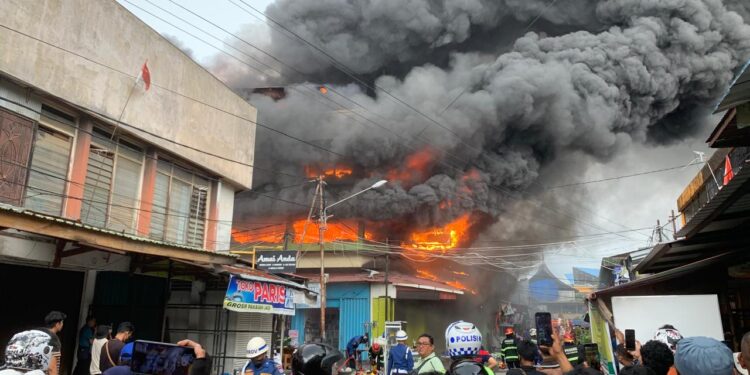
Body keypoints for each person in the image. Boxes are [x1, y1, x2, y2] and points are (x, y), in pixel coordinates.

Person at [41, 311, 66, 375]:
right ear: (57, 324)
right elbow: (52, 368)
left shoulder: (37, 334)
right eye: (62, 322)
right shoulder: (53, 339)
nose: (63, 325)